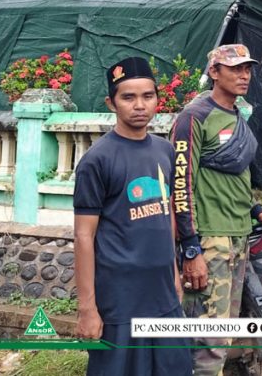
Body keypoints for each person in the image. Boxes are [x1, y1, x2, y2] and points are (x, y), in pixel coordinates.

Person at [74, 57, 193, 376]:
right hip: (120, 300)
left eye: (147, 96)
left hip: (164, 294)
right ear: (111, 103)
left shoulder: (164, 151)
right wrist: (87, 309)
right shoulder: (97, 161)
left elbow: (166, 213)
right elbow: (84, 236)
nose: (139, 105)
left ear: (157, 99)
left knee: (175, 369)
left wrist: (173, 271)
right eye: (128, 97)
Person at [170, 44, 262, 376]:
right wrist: (191, 248)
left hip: (239, 235)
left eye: (247, 69)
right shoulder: (194, 117)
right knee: (208, 339)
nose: (244, 75)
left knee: (224, 330)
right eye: (235, 68)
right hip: (210, 239)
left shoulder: (236, 115)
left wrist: (258, 211)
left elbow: (238, 178)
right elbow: (180, 184)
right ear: (214, 72)